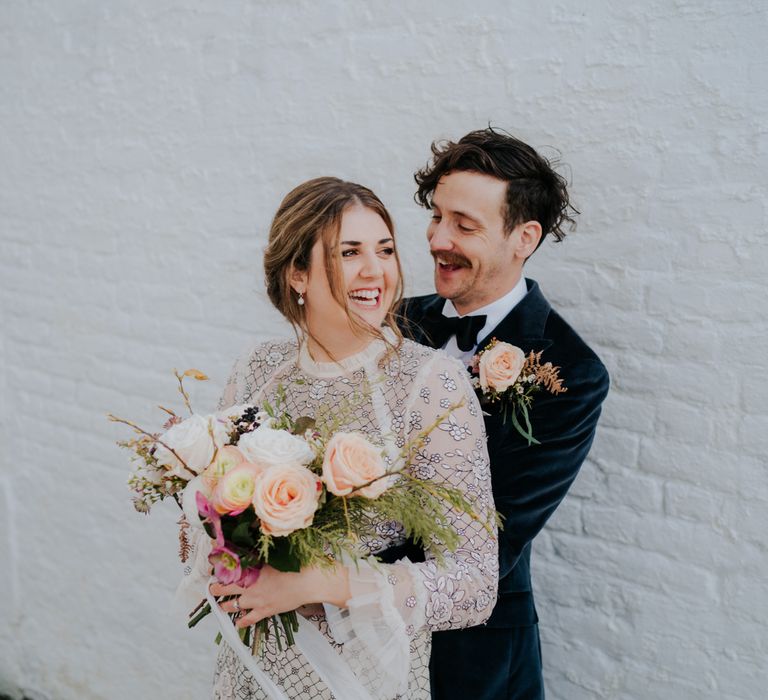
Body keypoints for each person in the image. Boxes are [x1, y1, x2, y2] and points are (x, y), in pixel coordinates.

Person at [200, 177, 498, 699]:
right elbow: (205, 515)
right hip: (251, 667)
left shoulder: (428, 384)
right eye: (349, 252)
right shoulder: (256, 371)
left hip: (364, 677)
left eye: (384, 250)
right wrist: (221, 549)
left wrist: (318, 582)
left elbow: (474, 584)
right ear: (298, 273)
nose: (374, 271)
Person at [401, 128, 610, 699]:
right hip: (352, 641)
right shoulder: (395, 323)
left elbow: (495, 534)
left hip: (472, 654)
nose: (438, 239)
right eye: (436, 216)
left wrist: (341, 579)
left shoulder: (571, 372)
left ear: (524, 237)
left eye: (464, 226)